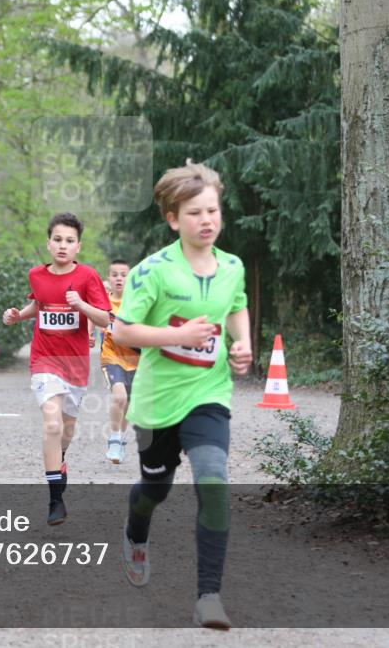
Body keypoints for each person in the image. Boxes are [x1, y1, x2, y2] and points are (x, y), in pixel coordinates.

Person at [111, 160, 252, 630]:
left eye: (212, 210)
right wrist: (178, 337)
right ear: (173, 218)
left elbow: (236, 307)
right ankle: (135, 532)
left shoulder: (232, 266)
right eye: (194, 213)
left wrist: (243, 343)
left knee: (213, 480)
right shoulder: (153, 271)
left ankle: (209, 596)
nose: (206, 220)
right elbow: (124, 330)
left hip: (209, 393)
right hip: (155, 402)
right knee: (155, 488)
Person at [2, 212, 111, 525]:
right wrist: (18, 316)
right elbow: (40, 304)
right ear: (49, 243)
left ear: (78, 246)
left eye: (70, 241)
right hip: (44, 359)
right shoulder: (36, 275)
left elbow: (106, 319)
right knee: (51, 423)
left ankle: (59, 459)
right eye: (58, 239)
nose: (63, 245)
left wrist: (82, 306)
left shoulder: (88, 277)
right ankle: (55, 499)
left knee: (66, 429)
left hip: (75, 363)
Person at [100, 260, 139, 464]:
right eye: (114, 274)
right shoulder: (103, 302)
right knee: (120, 397)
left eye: (123, 275)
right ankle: (114, 439)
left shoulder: (138, 301)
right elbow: (92, 315)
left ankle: (120, 440)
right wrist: (90, 333)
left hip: (136, 360)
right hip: (111, 356)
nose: (119, 278)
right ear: (109, 278)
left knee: (128, 404)